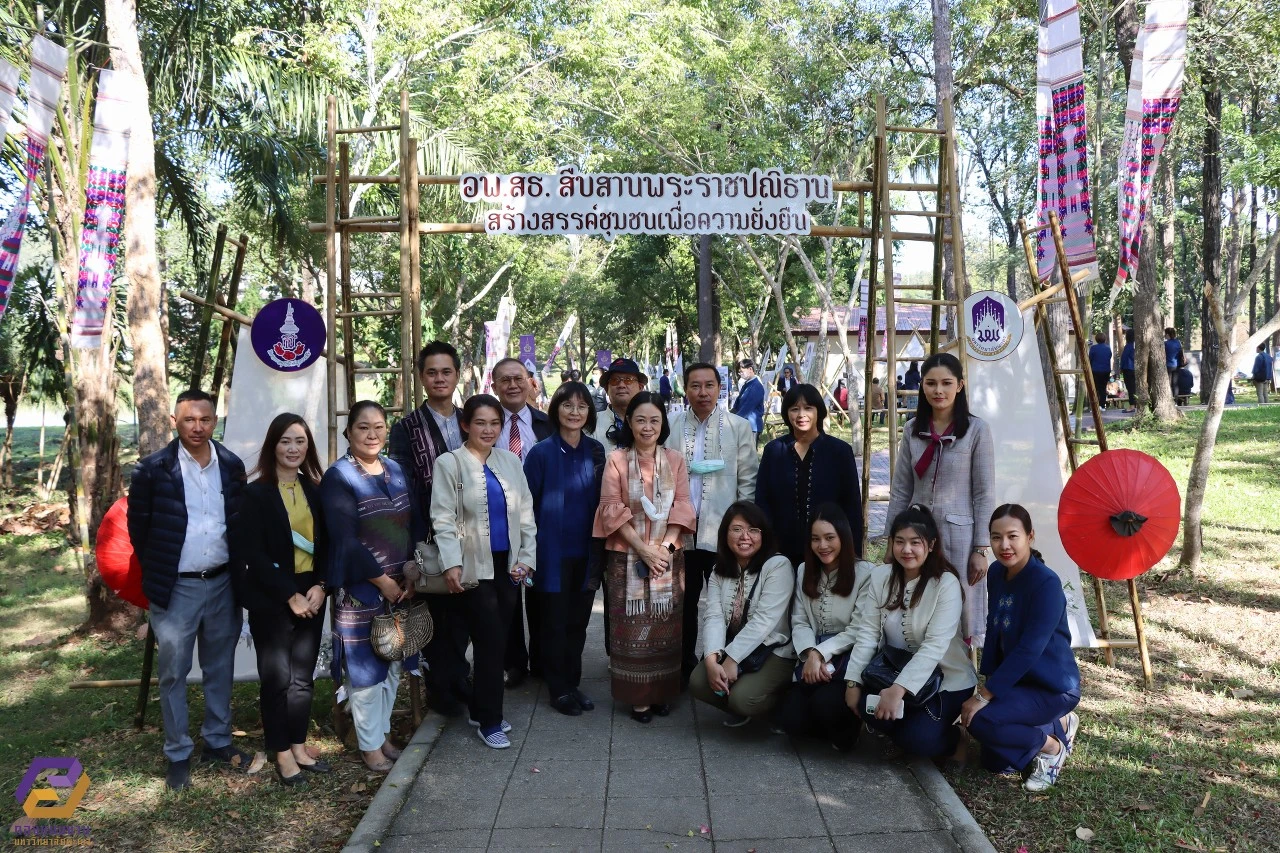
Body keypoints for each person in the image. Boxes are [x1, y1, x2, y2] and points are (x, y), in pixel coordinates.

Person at [127, 389, 250, 791]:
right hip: (176, 588)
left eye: (205, 419)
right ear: (174, 421)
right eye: (188, 419)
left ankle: (217, 740)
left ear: (216, 421)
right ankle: (178, 751)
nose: (197, 427)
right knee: (174, 673)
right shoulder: (152, 470)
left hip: (223, 584)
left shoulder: (231, 466)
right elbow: (139, 532)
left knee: (220, 668)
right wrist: (161, 574)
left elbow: (238, 522)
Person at [431, 395, 538, 749]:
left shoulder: (509, 461)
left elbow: (526, 515)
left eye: (495, 423)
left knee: (497, 640)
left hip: (508, 566)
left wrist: (527, 558)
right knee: (488, 643)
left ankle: (481, 708)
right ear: (465, 425)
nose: (489, 429)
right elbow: (442, 518)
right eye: (481, 423)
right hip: (471, 565)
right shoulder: (450, 463)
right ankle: (489, 719)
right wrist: (451, 562)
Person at [321, 401, 419, 772]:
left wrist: (410, 572)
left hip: (401, 588)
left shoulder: (394, 469)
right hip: (363, 589)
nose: (372, 434)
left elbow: (409, 525)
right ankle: (369, 747)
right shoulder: (339, 477)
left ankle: (383, 736)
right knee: (365, 672)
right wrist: (382, 583)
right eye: (363, 427)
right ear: (350, 432)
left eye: (378, 426)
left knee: (392, 664)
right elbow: (344, 541)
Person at [233, 414, 331, 785]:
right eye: (286, 441)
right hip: (271, 595)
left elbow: (328, 545)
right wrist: (288, 594)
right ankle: (281, 753)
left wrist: (322, 585)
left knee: (303, 677)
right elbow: (252, 553)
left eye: (300, 442)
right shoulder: (256, 493)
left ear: (309, 447)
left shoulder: (316, 490)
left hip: (312, 591)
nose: (293, 449)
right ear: (273, 444)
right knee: (277, 677)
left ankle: (298, 744)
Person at [593, 391, 695, 723]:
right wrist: (642, 548)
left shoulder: (676, 460)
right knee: (632, 627)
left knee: (666, 626)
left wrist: (662, 550)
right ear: (629, 422)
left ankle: (662, 692)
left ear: (663, 423)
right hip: (627, 556)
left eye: (654, 419)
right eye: (640, 419)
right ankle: (638, 697)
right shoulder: (617, 460)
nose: (647, 426)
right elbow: (612, 509)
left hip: (668, 556)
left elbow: (682, 507)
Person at [844, 505, 976, 761]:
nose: (907, 550)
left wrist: (897, 691)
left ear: (931, 544)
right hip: (892, 671)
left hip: (946, 680)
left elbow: (934, 647)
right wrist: (853, 681)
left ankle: (956, 738)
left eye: (915, 542)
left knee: (916, 741)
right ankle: (907, 722)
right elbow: (868, 633)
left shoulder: (945, 583)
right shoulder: (880, 576)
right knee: (863, 705)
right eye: (900, 542)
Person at [962, 505, 1080, 792]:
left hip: (1050, 686)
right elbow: (994, 629)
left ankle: (1052, 748)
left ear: (1030, 536)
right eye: (996, 537)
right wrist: (989, 681)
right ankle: (1058, 726)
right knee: (995, 762)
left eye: (1013, 536)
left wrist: (984, 696)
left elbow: (1030, 649)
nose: (1004, 545)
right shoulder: (995, 573)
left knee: (981, 722)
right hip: (1017, 682)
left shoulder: (1046, 583)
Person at [885, 352, 995, 644]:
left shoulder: (976, 430)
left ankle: (959, 674)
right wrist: (890, 540)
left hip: (958, 536)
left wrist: (981, 549)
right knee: (918, 599)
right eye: (931, 383)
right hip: (916, 535)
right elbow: (900, 490)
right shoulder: (912, 430)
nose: (938, 390)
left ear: (959, 385)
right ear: (922, 386)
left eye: (946, 383)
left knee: (959, 603)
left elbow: (984, 493)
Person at [389, 341, 470, 717]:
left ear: (457, 375)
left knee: (468, 613)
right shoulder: (406, 428)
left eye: (446, 371)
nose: (439, 378)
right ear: (421, 377)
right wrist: (414, 547)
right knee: (439, 614)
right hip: (431, 538)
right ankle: (446, 690)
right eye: (432, 372)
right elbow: (404, 488)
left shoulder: (472, 418)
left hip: (475, 536)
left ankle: (459, 680)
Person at [665, 363, 759, 686]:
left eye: (709, 386)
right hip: (683, 537)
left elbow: (747, 481)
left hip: (724, 538)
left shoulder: (738, 427)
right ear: (685, 389)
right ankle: (682, 669)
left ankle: (729, 668)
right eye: (695, 386)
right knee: (684, 604)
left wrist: (742, 532)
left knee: (727, 605)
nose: (702, 393)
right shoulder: (673, 425)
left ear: (720, 388)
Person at [523, 382, 606, 716]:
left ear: (589, 412)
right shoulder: (540, 453)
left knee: (578, 622)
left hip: (587, 552)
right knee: (554, 622)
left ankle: (573, 683)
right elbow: (526, 506)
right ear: (556, 408)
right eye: (568, 405)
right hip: (550, 553)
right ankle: (558, 688)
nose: (575, 412)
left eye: (582, 406)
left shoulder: (596, 450)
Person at [776, 505, 875, 750]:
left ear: (843, 537)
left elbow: (859, 629)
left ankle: (849, 730)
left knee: (825, 704)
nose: (823, 546)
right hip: (813, 656)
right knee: (789, 721)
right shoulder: (803, 570)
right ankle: (825, 723)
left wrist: (821, 653)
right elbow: (799, 621)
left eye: (830, 538)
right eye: (816, 539)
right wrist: (810, 653)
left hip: (850, 660)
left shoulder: (865, 573)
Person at [690, 502, 794, 725]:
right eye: (736, 529)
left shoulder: (778, 565)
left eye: (753, 530)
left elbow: (764, 622)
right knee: (699, 682)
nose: (745, 536)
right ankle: (742, 692)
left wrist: (732, 660)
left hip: (773, 650)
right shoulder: (719, 570)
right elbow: (714, 617)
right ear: (725, 534)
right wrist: (711, 660)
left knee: (743, 700)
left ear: (763, 534)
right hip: (737, 645)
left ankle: (779, 705)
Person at [492, 357, 553, 688]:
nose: (513, 385)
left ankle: (543, 659)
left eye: (519, 378)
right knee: (507, 596)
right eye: (505, 380)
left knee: (542, 594)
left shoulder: (547, 423)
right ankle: (513, 663)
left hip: (542, 521)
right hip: (502, 522)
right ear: (494, 385)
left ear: (531, 381)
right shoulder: (484, 423)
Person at [755, 383, 863, 566]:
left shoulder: (839, 451)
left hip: (828, 549)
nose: (801, 415)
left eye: (808, 408)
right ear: (786, 413)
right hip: (781, 552)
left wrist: (854, 553)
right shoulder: (773, 451)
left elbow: (851, 505)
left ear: (819, 411)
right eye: (794, 409)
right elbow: (763, 502)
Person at [593, 357, 648, 451]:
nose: (621, 385)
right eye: (615, 380)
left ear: (640, 387)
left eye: (628, 380)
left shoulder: (655, 422)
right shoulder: (592, 423)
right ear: (607, 389)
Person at [731, 359, 766, 439]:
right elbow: (737, 404)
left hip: (752, 427)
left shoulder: (756, 386)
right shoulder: (746, 384)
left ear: (750, 369)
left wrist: (732, 421)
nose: (740, 374)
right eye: (739, 372)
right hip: (744, 425)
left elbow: (747, 409)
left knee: (749, 451)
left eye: (741, 371)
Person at [1088, 332, 1112, 407]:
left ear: (1096, 339)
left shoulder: (1093, 348)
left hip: (1095, 370)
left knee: (1095, 388)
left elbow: (1090, 358)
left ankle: (1095, 405)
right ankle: (1102, 405)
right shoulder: (1108, 348)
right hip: (1106, 370)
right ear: (1105, 339)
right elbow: (1109, 356)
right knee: (1103, 388)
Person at [1164, 328, 1184, 398]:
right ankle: (1175, 400)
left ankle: (1169, 398)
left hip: (1168, 365)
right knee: (1175, 383)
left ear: (1167, 334)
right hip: (1176, 365)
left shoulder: (1166, 344)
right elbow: (1181, 353)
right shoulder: (1178, 342)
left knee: (1168, 383)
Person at [1120, 329, 1136, 412]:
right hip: (1132, 369)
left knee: (1130, 388)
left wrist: (1121, 368)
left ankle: (1132, 406)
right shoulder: (1133, 346)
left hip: (1128, 369)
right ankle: (1133, 404)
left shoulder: (1129, 346)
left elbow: (1124, 359)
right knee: (1133, 388)